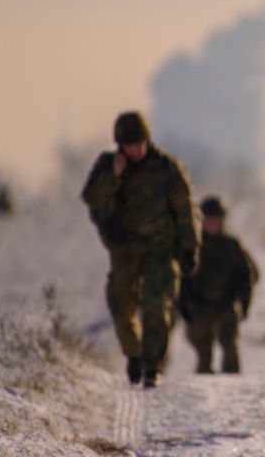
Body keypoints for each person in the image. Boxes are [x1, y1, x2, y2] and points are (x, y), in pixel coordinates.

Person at [81, 111, 199, 388]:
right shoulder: (108, 165)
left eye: (139, 144)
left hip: (160, 250)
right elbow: (91, 197)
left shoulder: (167, 168)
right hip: (124, 250)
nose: (135, 150)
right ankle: (134, 355)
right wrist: (114, 175)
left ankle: (152, 367)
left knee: (156, 307)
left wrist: (189, 250)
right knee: (121, 306)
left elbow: (185, 210)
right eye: (128, 145)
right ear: (120, 145)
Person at [180, 196, 258, 374]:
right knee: (202, 347)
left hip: (225, 302)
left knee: (229, 342)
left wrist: (244, 302)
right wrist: (183, 303)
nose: (212, 224)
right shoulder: (193, 246)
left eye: (216, 220)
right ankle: (203, 380)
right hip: (199, 303)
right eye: (208, 220)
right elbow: (182, 277)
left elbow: (246, 276)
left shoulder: (231, 246)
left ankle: (232, 382)